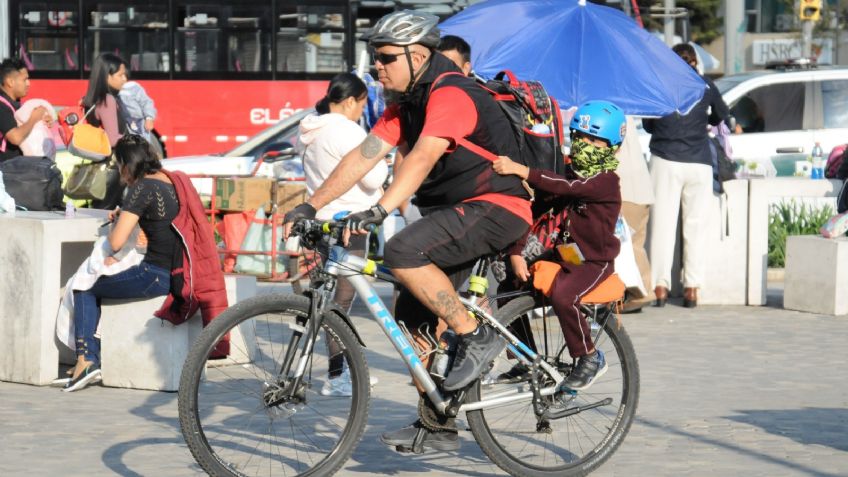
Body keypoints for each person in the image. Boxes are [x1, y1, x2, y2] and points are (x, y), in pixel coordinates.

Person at [284, 10, 532, 451]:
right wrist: (312, 203)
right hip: (454, 214)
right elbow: (365, 154)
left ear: (417, 55)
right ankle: (438, 426)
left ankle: (476, 335)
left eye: (384, 57)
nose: (376, 66)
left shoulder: (451, 93)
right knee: (410, 323)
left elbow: (420, 159)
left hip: (495, 206)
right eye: (373, 57)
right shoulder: (406, 104)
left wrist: (379, 209)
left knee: (401, 251)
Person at [64, 134, 227, 392]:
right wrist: (127, 212)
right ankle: (89, 359)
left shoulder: (141, 188)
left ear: (128, 165)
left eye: (119, 166)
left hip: (153, 275)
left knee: (85, 286)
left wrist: (122, 215)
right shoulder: (168, 181)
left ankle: (87, 359)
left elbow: (116, 241)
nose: (120, 173)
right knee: (96, 281)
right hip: (175, 272)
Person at [492, 100, 624, 390]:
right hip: (564, 257)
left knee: (565, 296)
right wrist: (515, 252)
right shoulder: (567, 171)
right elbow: (537, 209)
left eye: (595, 141)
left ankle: (588, 357)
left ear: (613, 147)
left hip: (594, 262)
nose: (585, 145)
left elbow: (567, 188)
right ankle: (525, 359)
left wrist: (522, 170)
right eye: (579, 137)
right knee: (508, 289)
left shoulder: (605, 181)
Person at [298, 72, 387, 396]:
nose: (361, 112)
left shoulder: (310, 129)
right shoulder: (348, 130)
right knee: (342, 302)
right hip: (351, 222)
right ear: (351, 101)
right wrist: (385, 163)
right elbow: (373, 177)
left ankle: (339, 371)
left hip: (322, 222)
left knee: (329, 299)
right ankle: (338, 376)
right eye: (362, 105)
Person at [643, 43, 730, 308]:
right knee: (696, 227)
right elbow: (722, 116)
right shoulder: (704, 85)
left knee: (662, 226)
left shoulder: (659, 84)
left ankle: (659, 287)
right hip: (699, 162)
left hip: (665, 160)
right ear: (694, 62)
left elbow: (648, 124)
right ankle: (692, 288)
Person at [616, 116, 654, 312]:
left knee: (624, 246)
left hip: (625, 189)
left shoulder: (610, 118)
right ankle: (644, 289)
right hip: (642, 189)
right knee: (637, 244)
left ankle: (637, 293)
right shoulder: (628, 116)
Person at [82, 53, 129, 209]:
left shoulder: (92, 99)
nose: (125, 79)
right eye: (120, 75)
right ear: (106, 76)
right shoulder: (107, 100)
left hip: (102, 165)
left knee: (101, 208)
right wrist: (135, 141)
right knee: (106, 210)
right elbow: (113, 138)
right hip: (113, 168)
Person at [0, 57, 52, 161]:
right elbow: (16, 138)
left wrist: (42, 121)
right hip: (5, 172)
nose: (28, 83)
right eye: (25, 79)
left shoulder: (16, 104)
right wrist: (34, 118)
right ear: (10, 82)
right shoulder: (1, 106)